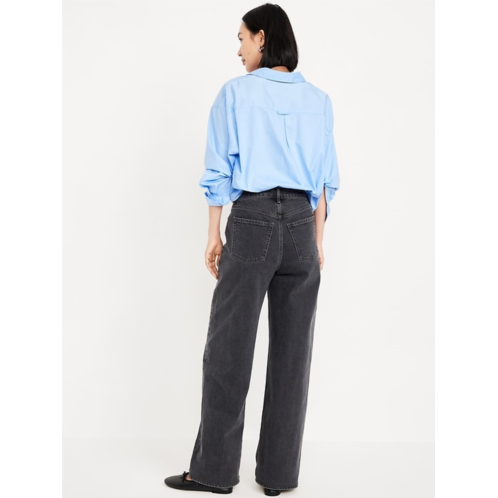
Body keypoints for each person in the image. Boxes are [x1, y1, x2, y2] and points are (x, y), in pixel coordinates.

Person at [165, 3, 339, 496]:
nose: (238, 49)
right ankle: (279, 477)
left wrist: (213, 234)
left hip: (254, 219)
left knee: (229, 349)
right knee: (293, 357)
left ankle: (214, 472)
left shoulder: (235, 94)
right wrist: (317, 242)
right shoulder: (319, 100)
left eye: (241, 38)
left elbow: (219, 169)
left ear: (262, 38)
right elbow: (324, 183)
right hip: (302, 228)